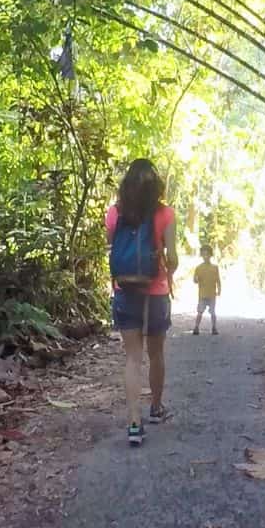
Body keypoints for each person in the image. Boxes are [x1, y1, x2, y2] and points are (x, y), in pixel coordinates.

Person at [106, 159, 177, 446]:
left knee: (132, 358)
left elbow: (113, 247)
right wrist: (166, 267)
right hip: (156, 293)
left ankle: (134, 422)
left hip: (124, 291)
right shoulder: (165, 214)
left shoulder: (114, 213)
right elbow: (173, 259)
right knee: (156, 354)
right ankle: (156, 408)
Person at [192, 245, 221, 336]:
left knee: (213, 312)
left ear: (210, 255)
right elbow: (195, 280)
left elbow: (218, 280)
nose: (205, 256)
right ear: (201, 255)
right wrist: (196, 279)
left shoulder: (215, 268)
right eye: (203, 255)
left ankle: (214, 328)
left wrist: (219, 290)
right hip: (202, 295)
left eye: (207, 254)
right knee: (200, 312)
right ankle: (196, 327)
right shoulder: (198, 268)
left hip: (212, 294)